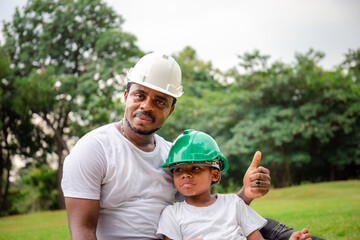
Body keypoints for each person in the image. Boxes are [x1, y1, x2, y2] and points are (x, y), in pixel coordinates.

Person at [61, 52, 322, 240]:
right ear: (126, 95)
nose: (147, 106)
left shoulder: (172, 155)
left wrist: (246, 193)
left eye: (160, 101)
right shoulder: (94, 149)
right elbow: (82, 231)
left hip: (192, 233)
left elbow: (206, 208)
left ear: (171, 109)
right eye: (140, 95)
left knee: (274, 231)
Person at [157, 129, 312, 240]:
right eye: (178, 170)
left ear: (215, 174)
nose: (185, 174)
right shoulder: (171, 214)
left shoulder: (233, 203)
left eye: (195, 168)